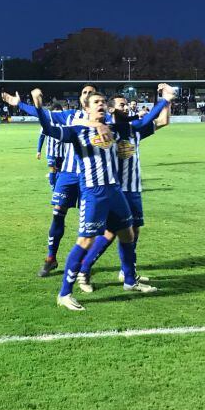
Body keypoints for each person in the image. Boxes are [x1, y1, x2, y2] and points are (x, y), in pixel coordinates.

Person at [34, 84, 175, 310]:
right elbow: (50, 130)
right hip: (93, 193)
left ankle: (130, 280)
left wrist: (164, 101)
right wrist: (39, 106)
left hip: (116, 192)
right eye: (96, 103)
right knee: (85, 240)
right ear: (87, 109)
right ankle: (64, 293)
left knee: (128, 234)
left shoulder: (115, 130)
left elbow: (145, 121)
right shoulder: (77, 132)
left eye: (102, 102)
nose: (100, 105)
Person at [75, 93, 171, 293]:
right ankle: (84, 269)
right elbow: (80, 122)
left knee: (133, 231)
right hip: (117, 190)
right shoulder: (109, 130)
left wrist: (167, 102)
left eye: (126, 105)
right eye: (121, 105)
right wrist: (164, 98)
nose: (126, 108)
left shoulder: (134, 130)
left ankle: (127, 272)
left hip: (134, 188)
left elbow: (163, 121)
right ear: (111, 109)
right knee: (110, 233)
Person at [2, 84, 98, 277]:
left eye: (92, 93)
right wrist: (20, 104)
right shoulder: (70, 116)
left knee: (89, 223)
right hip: (68, 174)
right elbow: (44, 115)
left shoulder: (105, 119)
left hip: (92, 177)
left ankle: (83, 266)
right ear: (80, 98)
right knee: (57, 214)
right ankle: (50, 258)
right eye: (84, 93)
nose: (87, 95)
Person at [36, 103, 64, 188]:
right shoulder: (46, 123)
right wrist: (38, 151)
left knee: (59, 170)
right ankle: (53, 188)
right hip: (50, 151)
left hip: (61, 153)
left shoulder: (64, 122)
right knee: (52, 169)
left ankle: (57, 186)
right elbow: (41, 137)